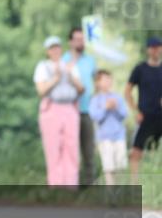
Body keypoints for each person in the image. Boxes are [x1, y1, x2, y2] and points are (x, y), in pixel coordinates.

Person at [33, 35, 84, 187]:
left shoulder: (70, 66)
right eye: (51, 48)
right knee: (53, 147)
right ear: (47, 51)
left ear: (61, 49)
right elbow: (41, 91)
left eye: (57, 47)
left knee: (72, 147)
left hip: (70, 107)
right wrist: (56, 77)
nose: (55, 50)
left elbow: (81, 89)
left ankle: (71, 185)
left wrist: (68, 75)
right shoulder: (43, 66)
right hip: (52, 108)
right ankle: (55, 185)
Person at [63, 27, 98, 186]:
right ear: (70, 41)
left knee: (89, 152)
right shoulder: (63, 60)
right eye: (77, 39)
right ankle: (70, 186)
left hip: (87, 111)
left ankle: (89, 187)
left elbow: (97, 82)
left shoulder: (90, 60)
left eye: (82, 39)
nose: (80, 42)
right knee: (70, 151)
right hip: (68, 111)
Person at [125, 36, 162, 182]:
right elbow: (127, 91)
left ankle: (155, 182)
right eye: (153, 47)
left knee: (155, 152)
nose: (156, 50)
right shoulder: (140, 69)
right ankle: (135, 183)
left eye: (158, 47)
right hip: (145, 115)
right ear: (148, 50)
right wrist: (135, 111)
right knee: (136, 151)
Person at [88, 70, 128, 187]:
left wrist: (115, 108)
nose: (108, 81)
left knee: (120, 166)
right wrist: (105, 107)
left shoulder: (117, 97)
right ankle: (111, 194)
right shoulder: (96, 99)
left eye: (109, 79)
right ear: (98, 82)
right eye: (105, 79)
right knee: (109, 167)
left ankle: (120, 192)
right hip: (104, 138)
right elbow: (95, 116)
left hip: (119, 136)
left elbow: (124, 114)